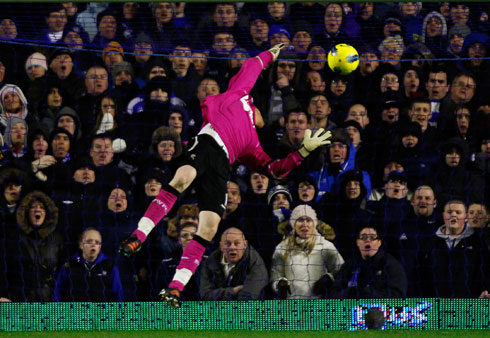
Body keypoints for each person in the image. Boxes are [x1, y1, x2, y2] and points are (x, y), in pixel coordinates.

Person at [119, 44, 332, 307]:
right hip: (209, 143)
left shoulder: (252, 146)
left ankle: (175, 288)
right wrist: (270, 55)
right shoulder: (239, 93)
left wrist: (303, 151)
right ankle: (138, 235)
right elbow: (252, 65)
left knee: (209, 228)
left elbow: (276, 170)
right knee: (182, 178)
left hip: (223, 166)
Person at [270, 204, 343, 299]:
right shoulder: (282, 248)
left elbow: (341, 272)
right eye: (300, 220)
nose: (304, 224)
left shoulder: (326, 246)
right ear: (293, 224)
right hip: (293, 308)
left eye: (308, 220)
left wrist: (330, 279)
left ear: (314, 224)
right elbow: (275, 276)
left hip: (320, 307)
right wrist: (279, 284)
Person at [329, 226, 407, 299]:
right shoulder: (349, 266)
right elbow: (333, 293)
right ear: (358, 243)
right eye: (363, 237)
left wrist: (367, 294)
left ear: (379, 243)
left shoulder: (391, 265)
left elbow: (397, 296)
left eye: (372, 238)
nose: (367, 240)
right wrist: (349, 293)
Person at [54, 228, 123, 302]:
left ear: (100, 247)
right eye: (89, 241)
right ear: (81, 245)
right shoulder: (68, 266)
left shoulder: (110, 267)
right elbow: (58, 293)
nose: (93, 245)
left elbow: (118, 294)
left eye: (97, 242)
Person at [199, 227, 267, 301]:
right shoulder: (210, 262)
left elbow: (250, 297)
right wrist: (233, 291)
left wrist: (220, 294)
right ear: (221, 246)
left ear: (245, 245)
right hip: (216, 310)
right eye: (227, 244)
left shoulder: (255, 261)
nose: (232, 247)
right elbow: (205, 296)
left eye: (237, 243)